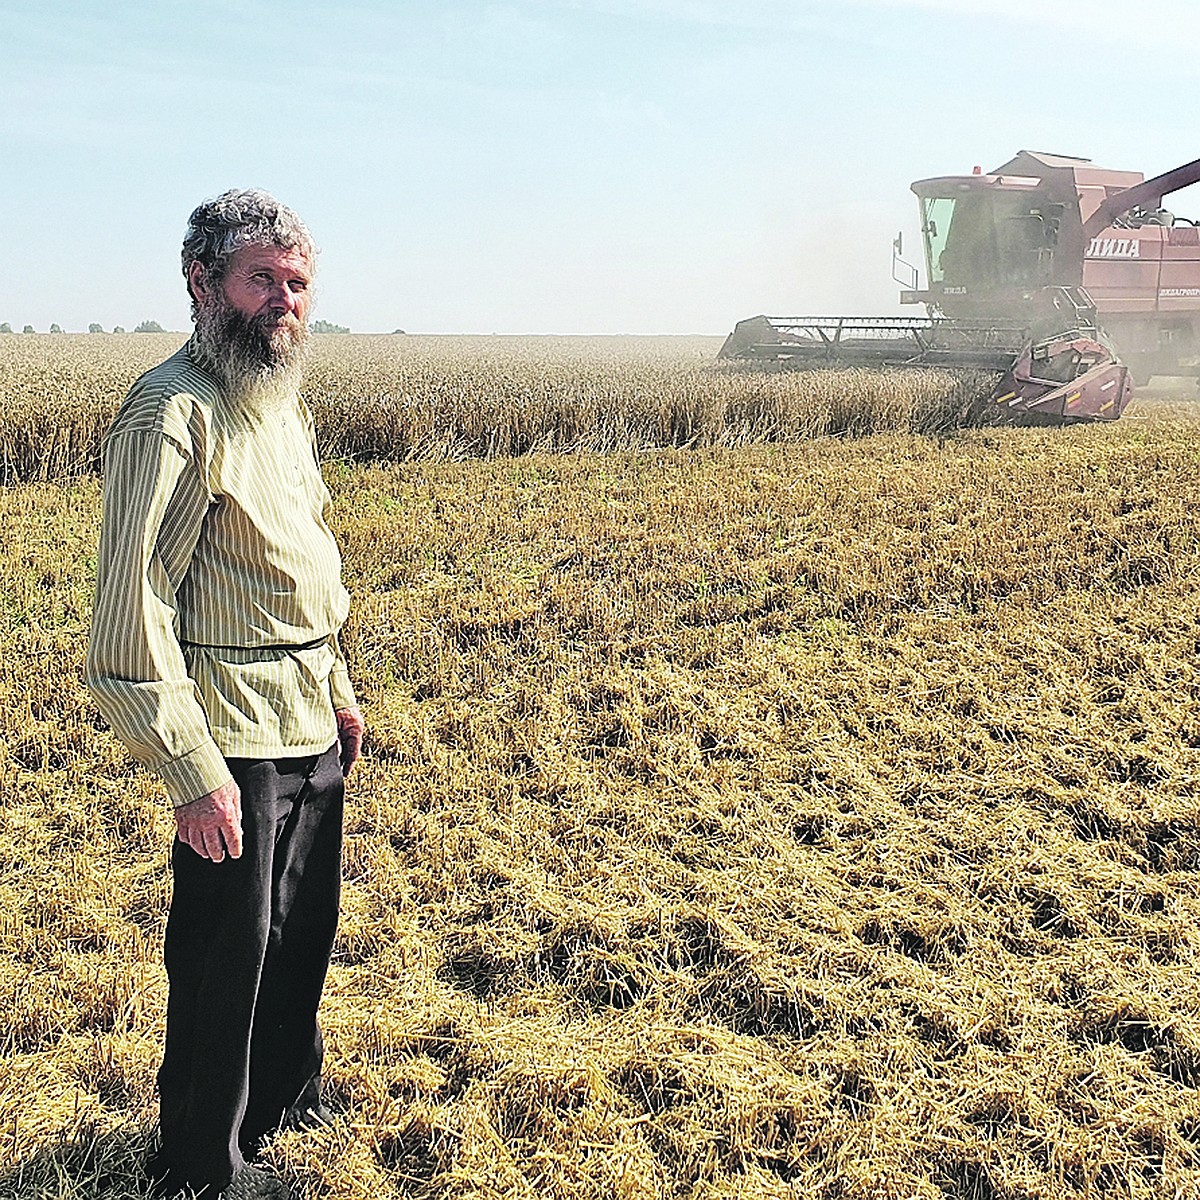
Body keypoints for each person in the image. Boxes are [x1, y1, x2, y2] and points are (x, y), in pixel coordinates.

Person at [85, 189, 365, 1200]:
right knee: (223, 960)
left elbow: (306, 555)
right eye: (263, 280)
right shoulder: (173, 412)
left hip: (305, 711)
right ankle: (202, 1165)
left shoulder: (276, 400)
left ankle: (286, 1103)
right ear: (202, 283)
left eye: (297, 283)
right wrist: (190, 771)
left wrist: (334, 683)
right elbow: (133, 608)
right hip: (230, 735)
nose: (284, 301)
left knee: (299, 931)